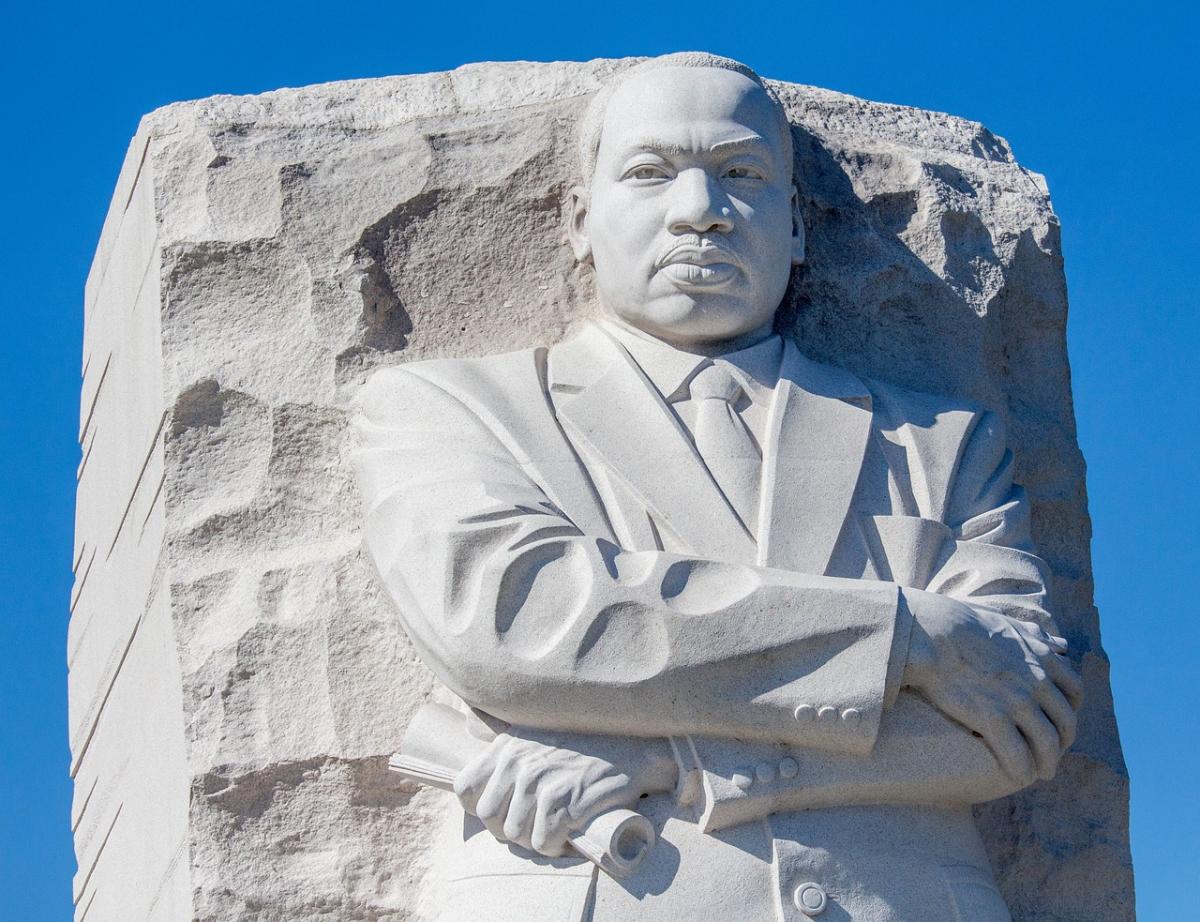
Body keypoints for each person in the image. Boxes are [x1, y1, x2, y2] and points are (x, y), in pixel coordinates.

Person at [353, 52, 1083, 922]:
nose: (701, 212)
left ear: (798, 225)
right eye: (651, 173)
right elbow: (518, 620)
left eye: (741, 174)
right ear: (579, 221)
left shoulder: (941, 442)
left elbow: (1017, 717)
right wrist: (906, 635)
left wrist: (675, 759)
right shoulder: (453, 409)